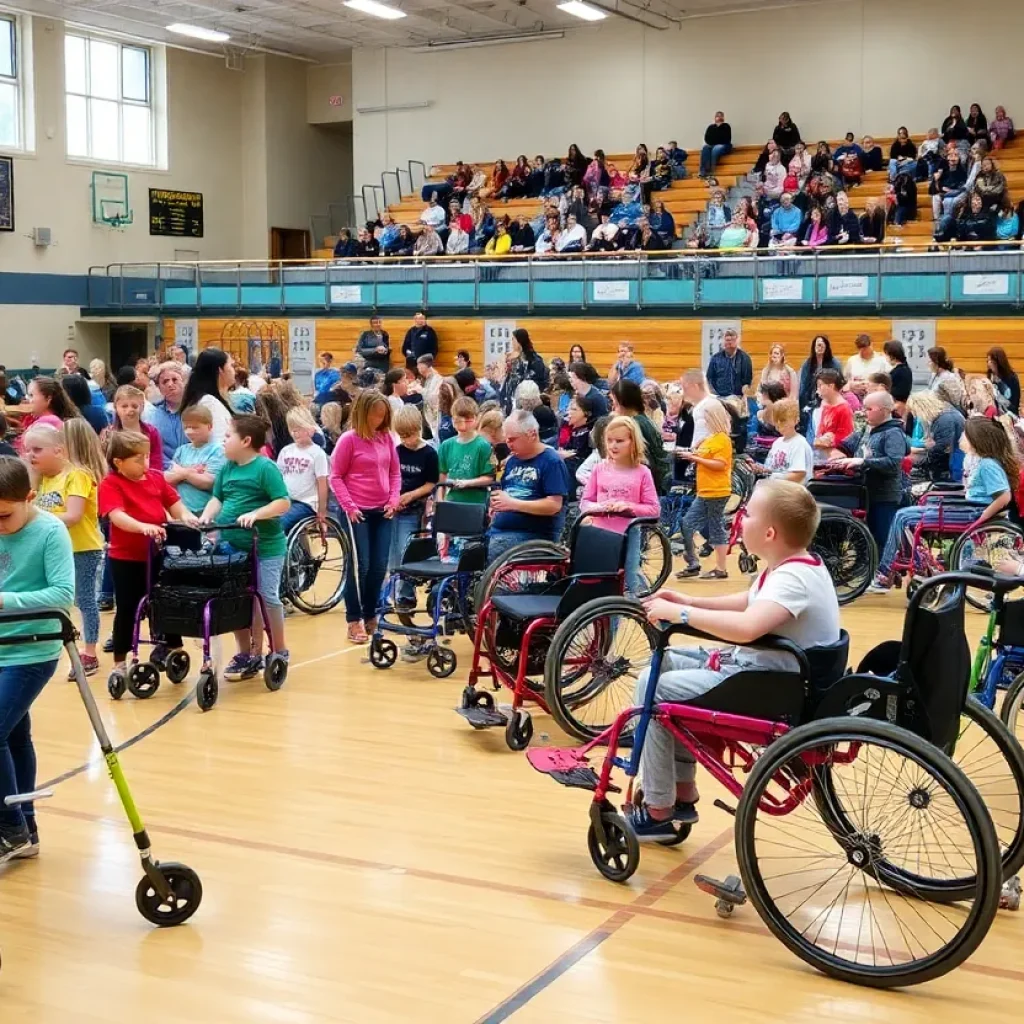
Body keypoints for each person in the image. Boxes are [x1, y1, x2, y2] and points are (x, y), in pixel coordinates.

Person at [632, 480, 840, 837]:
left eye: (749, 514)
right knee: (661, 663)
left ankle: (658, 807)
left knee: (653, 689)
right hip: (766, 673)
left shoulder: (794, 578)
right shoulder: (793, 564)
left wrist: (681, 616)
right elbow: (749, 601)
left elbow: (746, 627)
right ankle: (681, 791)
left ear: (770, 532)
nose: (741, 519)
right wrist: (688, 601)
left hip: (768, 685)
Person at [0, 456, 75, 862]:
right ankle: (26, 828)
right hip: (0, 646)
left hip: (33, 648)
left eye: (5, 516)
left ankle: (10, 829)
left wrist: (4, 601)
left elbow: (63, 594)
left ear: (29, 498)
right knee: (13, 736)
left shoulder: (50, 531)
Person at [870, 417, 1017, 592]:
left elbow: (1004, 496)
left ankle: (888, 571)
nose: (961, 437)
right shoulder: (976, 460)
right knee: (907, 514)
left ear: (976, 440)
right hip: (967, 508)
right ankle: (913, 563)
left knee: (903, 516)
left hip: (973, 512)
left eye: (964, 435)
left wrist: (985, 516)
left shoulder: (987, 465)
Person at [98, 431, 195, 689]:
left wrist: (188, 518)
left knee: (166, 600)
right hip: (127, 557)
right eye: (138, 458)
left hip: (158, 553)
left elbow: (175, 505)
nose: (145, 463)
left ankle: (173, 647)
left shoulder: (154, 478)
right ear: (119, 462)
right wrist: (143, 527)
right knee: (128, 608)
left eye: (146, 456)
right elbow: (116, 516)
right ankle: (120, 661)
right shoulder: (111, 483)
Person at [198, 415, 291, 677]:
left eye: (228, 436)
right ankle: (248, 652)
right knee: (238, 600)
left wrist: (258, 514)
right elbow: (218, 497)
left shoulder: (265, 468)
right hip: (233, 546)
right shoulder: (227, 468)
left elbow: (283, 502)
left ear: (246, 441)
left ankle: (279, 649)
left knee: (266, 597)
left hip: (266, 548)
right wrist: (207, 516)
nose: (224, 441)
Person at [24, 421, 106, 677]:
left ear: (58, 450)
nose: (30, 455)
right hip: (53, 550)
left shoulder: (77, 475)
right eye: (28, 450)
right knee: (53, 600)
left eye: (37, 450)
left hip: (82, 548)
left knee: (84, 600)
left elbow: (73, 515)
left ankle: (90, 653)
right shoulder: (43, 481)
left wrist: (32, 515)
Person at [329, 391, 400, 643]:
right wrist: (349, 506)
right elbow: (335, 476)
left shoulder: (387, 438)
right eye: (375, 414)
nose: (379, 419)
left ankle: (371, 613)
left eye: (383, 414)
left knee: (379, 566)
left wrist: (394, 500)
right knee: (360, 566)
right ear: (362, 413)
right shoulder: (349, 440)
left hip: (383, 511)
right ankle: (354, 619)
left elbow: (394, 473)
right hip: (356, 512)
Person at [579, 415, 659, 595]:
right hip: (600, 533)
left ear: (633, 442)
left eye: (620, 441)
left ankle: (649, 615)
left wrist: (629, 507)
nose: (613, 445)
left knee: (629, 581)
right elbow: (585, 502)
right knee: (601, 584)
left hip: (628, 533)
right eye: (609, 441)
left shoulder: (642, 472)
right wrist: (599, 507)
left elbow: (653, 509)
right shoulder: (599, 469)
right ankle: (608, 621)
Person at [829, 391, 910, 551]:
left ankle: (883, 573)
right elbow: (844, 446)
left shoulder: (893, 433)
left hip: (885, 497)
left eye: (869, 409)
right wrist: (837, 455)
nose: (863, 412)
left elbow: (893, 463)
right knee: (868, 540)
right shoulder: (866, 429)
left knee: (881, 541)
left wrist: (862, 462)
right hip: (865, 494)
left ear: (885, 410)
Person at [486, 410, 569, 561]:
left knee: (495, 546)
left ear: (532, 434)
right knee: (469, 547)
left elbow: (554, 505)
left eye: (512, 439)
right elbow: (505, 494)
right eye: (507, 439)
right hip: (500, 531)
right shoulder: (512, 461)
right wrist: (496, 506)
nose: (508, 444)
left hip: (533, 537)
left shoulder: (551, 461)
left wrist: (512, 504)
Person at [674, 399, 733, 581]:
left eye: (705, 418)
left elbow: (720, 464)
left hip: (717, 491)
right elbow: (702, 454)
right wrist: (693, 451)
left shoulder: (723, 440)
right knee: (688, 523)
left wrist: (695, 458)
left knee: (715, 528)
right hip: (706, 490)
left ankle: (720, 568)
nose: (703, 422)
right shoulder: (710, 439)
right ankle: (693, 562)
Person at [389, 405, 440, 616]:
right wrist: (393, 497)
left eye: (409, 435)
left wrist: (410, 495)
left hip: (414, 508)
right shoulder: (397, 451)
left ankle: (406, 593)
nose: (406, 440)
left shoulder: (429, 453)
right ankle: (395, 592)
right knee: (392, 554)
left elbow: (431, 483)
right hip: (395, 507)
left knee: (406, 551)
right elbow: (390, 477)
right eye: (401, 436)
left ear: (419, 429)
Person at [609, 379, 670, 495]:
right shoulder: (642, 418)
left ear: (622, 402)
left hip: (648, 479)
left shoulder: (633, 424)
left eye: (614, 401)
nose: (613, 406)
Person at [276, 407, 330, 537]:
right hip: (286, 500)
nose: (295, 433)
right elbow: (278, 476)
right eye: (292, 429)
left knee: (279, 523)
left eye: (299, 429)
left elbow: (322, 483)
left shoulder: (317, 453)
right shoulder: (286, 451)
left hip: (306, 503)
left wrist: (322, 511)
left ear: (309, 429)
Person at [166, 404, 225, 517]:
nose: (189, 432)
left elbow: (208, 482)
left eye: (195, 427)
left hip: (205, 510)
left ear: (209, 426)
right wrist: (192, 472)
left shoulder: (217, 450)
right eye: (186, 427)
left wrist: (183, 472)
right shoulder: (181, 450)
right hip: (182, 510)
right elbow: (167, 478)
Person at [438, 396, 494, 508]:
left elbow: (489, 478)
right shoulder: (446, 445)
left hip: (475, 504)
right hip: (451, 501)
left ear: (476, 419)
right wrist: (440, 501)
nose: (463, 424)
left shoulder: (483, 446)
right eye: (458, 420)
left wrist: (467, 483)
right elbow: (441, 478)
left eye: (468, 420)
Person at [180, 348, 235, 445]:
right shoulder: (209, 403)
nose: (234, 371)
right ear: (220, 370)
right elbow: (219, 442)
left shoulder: (206, 400)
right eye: (231, 366)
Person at [907, 390, 964, 480]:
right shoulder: (946, 416)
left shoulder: (945, 420)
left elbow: (941, 449)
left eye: (915, 412)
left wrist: (919, 463)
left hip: (953, 469)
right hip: (954, 465)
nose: (915, 416)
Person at [757, 398, 813, 483]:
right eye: (776, 420)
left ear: (796, 420)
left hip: (792, 491)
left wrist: (775, 479)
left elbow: (798, 475)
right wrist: (760, 469)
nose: (779, 424)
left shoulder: (799, 444)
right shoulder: (777, 443)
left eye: (783, 420)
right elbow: (770, 469)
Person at [113, 385, 162, 472]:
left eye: (134, 406)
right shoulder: (110, 434)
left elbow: (156, 463)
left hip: (148, 478)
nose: (129, 410)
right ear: (116, 408)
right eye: (124, 406)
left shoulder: (152, 432)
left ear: (142, 408)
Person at [500, 328, 549, 413]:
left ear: (519, 341)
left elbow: (538, 379)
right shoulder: (513, 358)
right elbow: (509, 379)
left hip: (526, 398)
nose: (512, 341)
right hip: (511, 397)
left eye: (513, 339)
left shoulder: (534, 359)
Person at [812, 369, 855, 462]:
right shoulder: (824, 403)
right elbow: (821, 428)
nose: (817, 390)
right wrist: (820, 439)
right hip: (822, 451)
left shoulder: (844, 408)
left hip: (837, 455)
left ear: (830, 386)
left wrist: (829, 440)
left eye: (820, 385)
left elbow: (846, 437)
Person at [705, 328, 753, 400]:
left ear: (737, 341)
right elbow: (709, 379)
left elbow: (747, 382)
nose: (729, 343)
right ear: (723, 342)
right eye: (727, 340)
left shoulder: (745, 358)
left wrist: (744, 396)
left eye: (732, 340)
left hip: (738, 397)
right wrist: (714, 395)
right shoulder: (715, 358)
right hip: (719, 397)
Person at [514, 380, 557, 446]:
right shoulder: (546, 410)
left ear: (528, 400)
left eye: (522, 400)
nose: (521, 403)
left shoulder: (535, 415)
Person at [988, 346, 1020, 415]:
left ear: (998, 362)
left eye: (991, 361)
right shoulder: (990, 377)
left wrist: (999, 383)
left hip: (1009, 413)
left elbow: (1012, 401)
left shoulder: (1012, 378)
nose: (989, 364)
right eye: (988, 361)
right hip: (994, 413)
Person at [883, 339, 913, 412]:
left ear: (892, 355)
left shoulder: (901, 370)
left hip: (898, 407)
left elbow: (899, 393)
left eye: (886, 354)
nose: (885, 357)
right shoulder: (902, 368)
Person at [700, 111, 733, 178]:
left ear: (723, 118)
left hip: (725, 145)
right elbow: (707, 139)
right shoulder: (710, 127)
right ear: (715, 118)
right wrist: (714, 141)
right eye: (717, 116)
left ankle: (712, 170)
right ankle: (703, 171)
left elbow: (726, 139)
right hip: (712, 145)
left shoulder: (726, 126)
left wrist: (719, 128)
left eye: (721, 116)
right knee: (705, 148)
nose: (719, 117)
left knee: (716, 148)